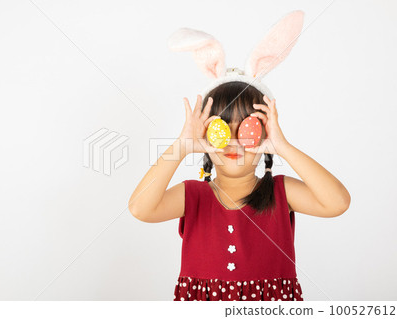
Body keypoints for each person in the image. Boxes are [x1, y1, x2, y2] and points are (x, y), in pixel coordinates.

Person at [128, 11, 351, 301]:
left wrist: (283, 146)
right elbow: (139, 209)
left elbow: (338, 202)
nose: (233, 142)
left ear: (264, 135)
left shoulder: (281, 193)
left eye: (246, 129)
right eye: (221, 130)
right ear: (207, 138)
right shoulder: (193, 196)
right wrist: (181, 146)